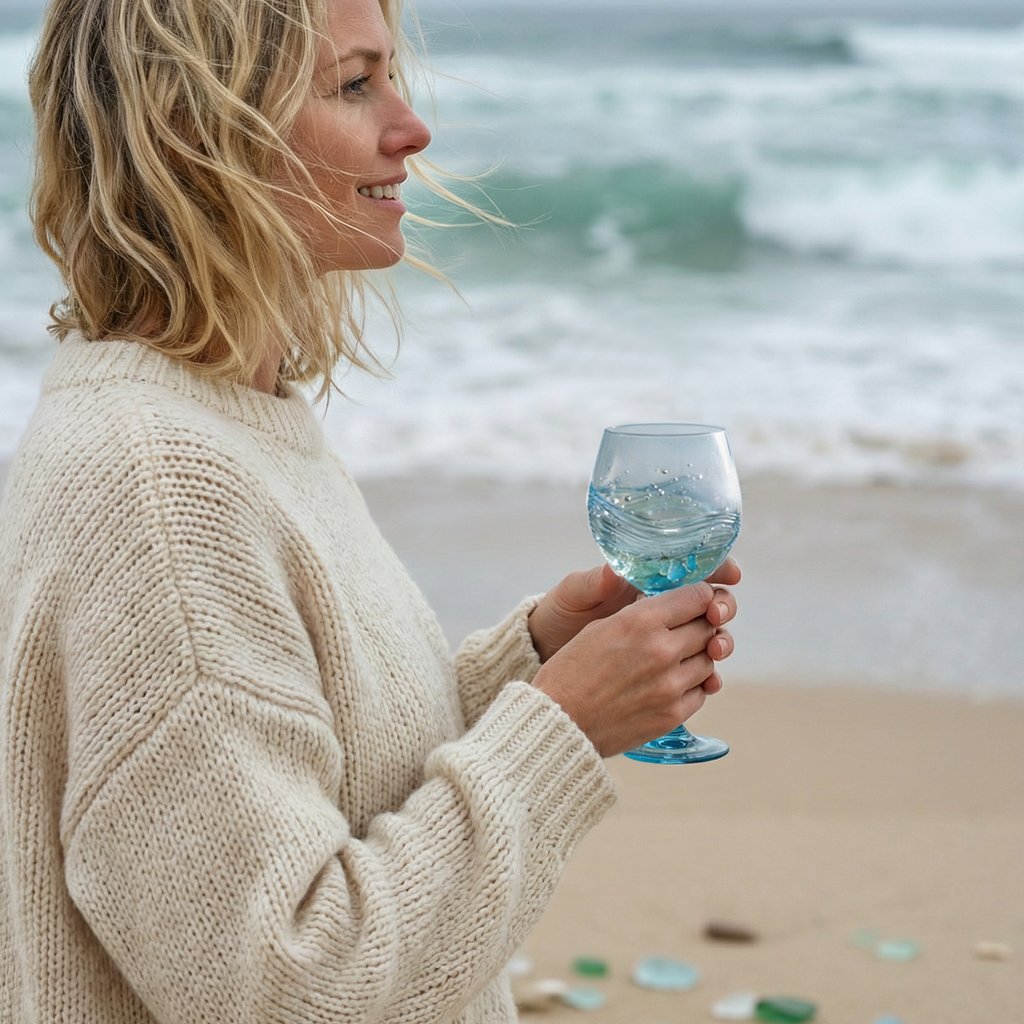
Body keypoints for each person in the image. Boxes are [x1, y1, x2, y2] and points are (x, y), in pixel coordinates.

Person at [0, 0, 740, 1020]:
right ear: (198, 132)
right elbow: (290, 983)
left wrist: (531, 662)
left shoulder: (228, 416)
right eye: (354, 85)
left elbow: (316, 778)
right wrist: (559, 728)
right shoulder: (160, 488)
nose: (412, 128)